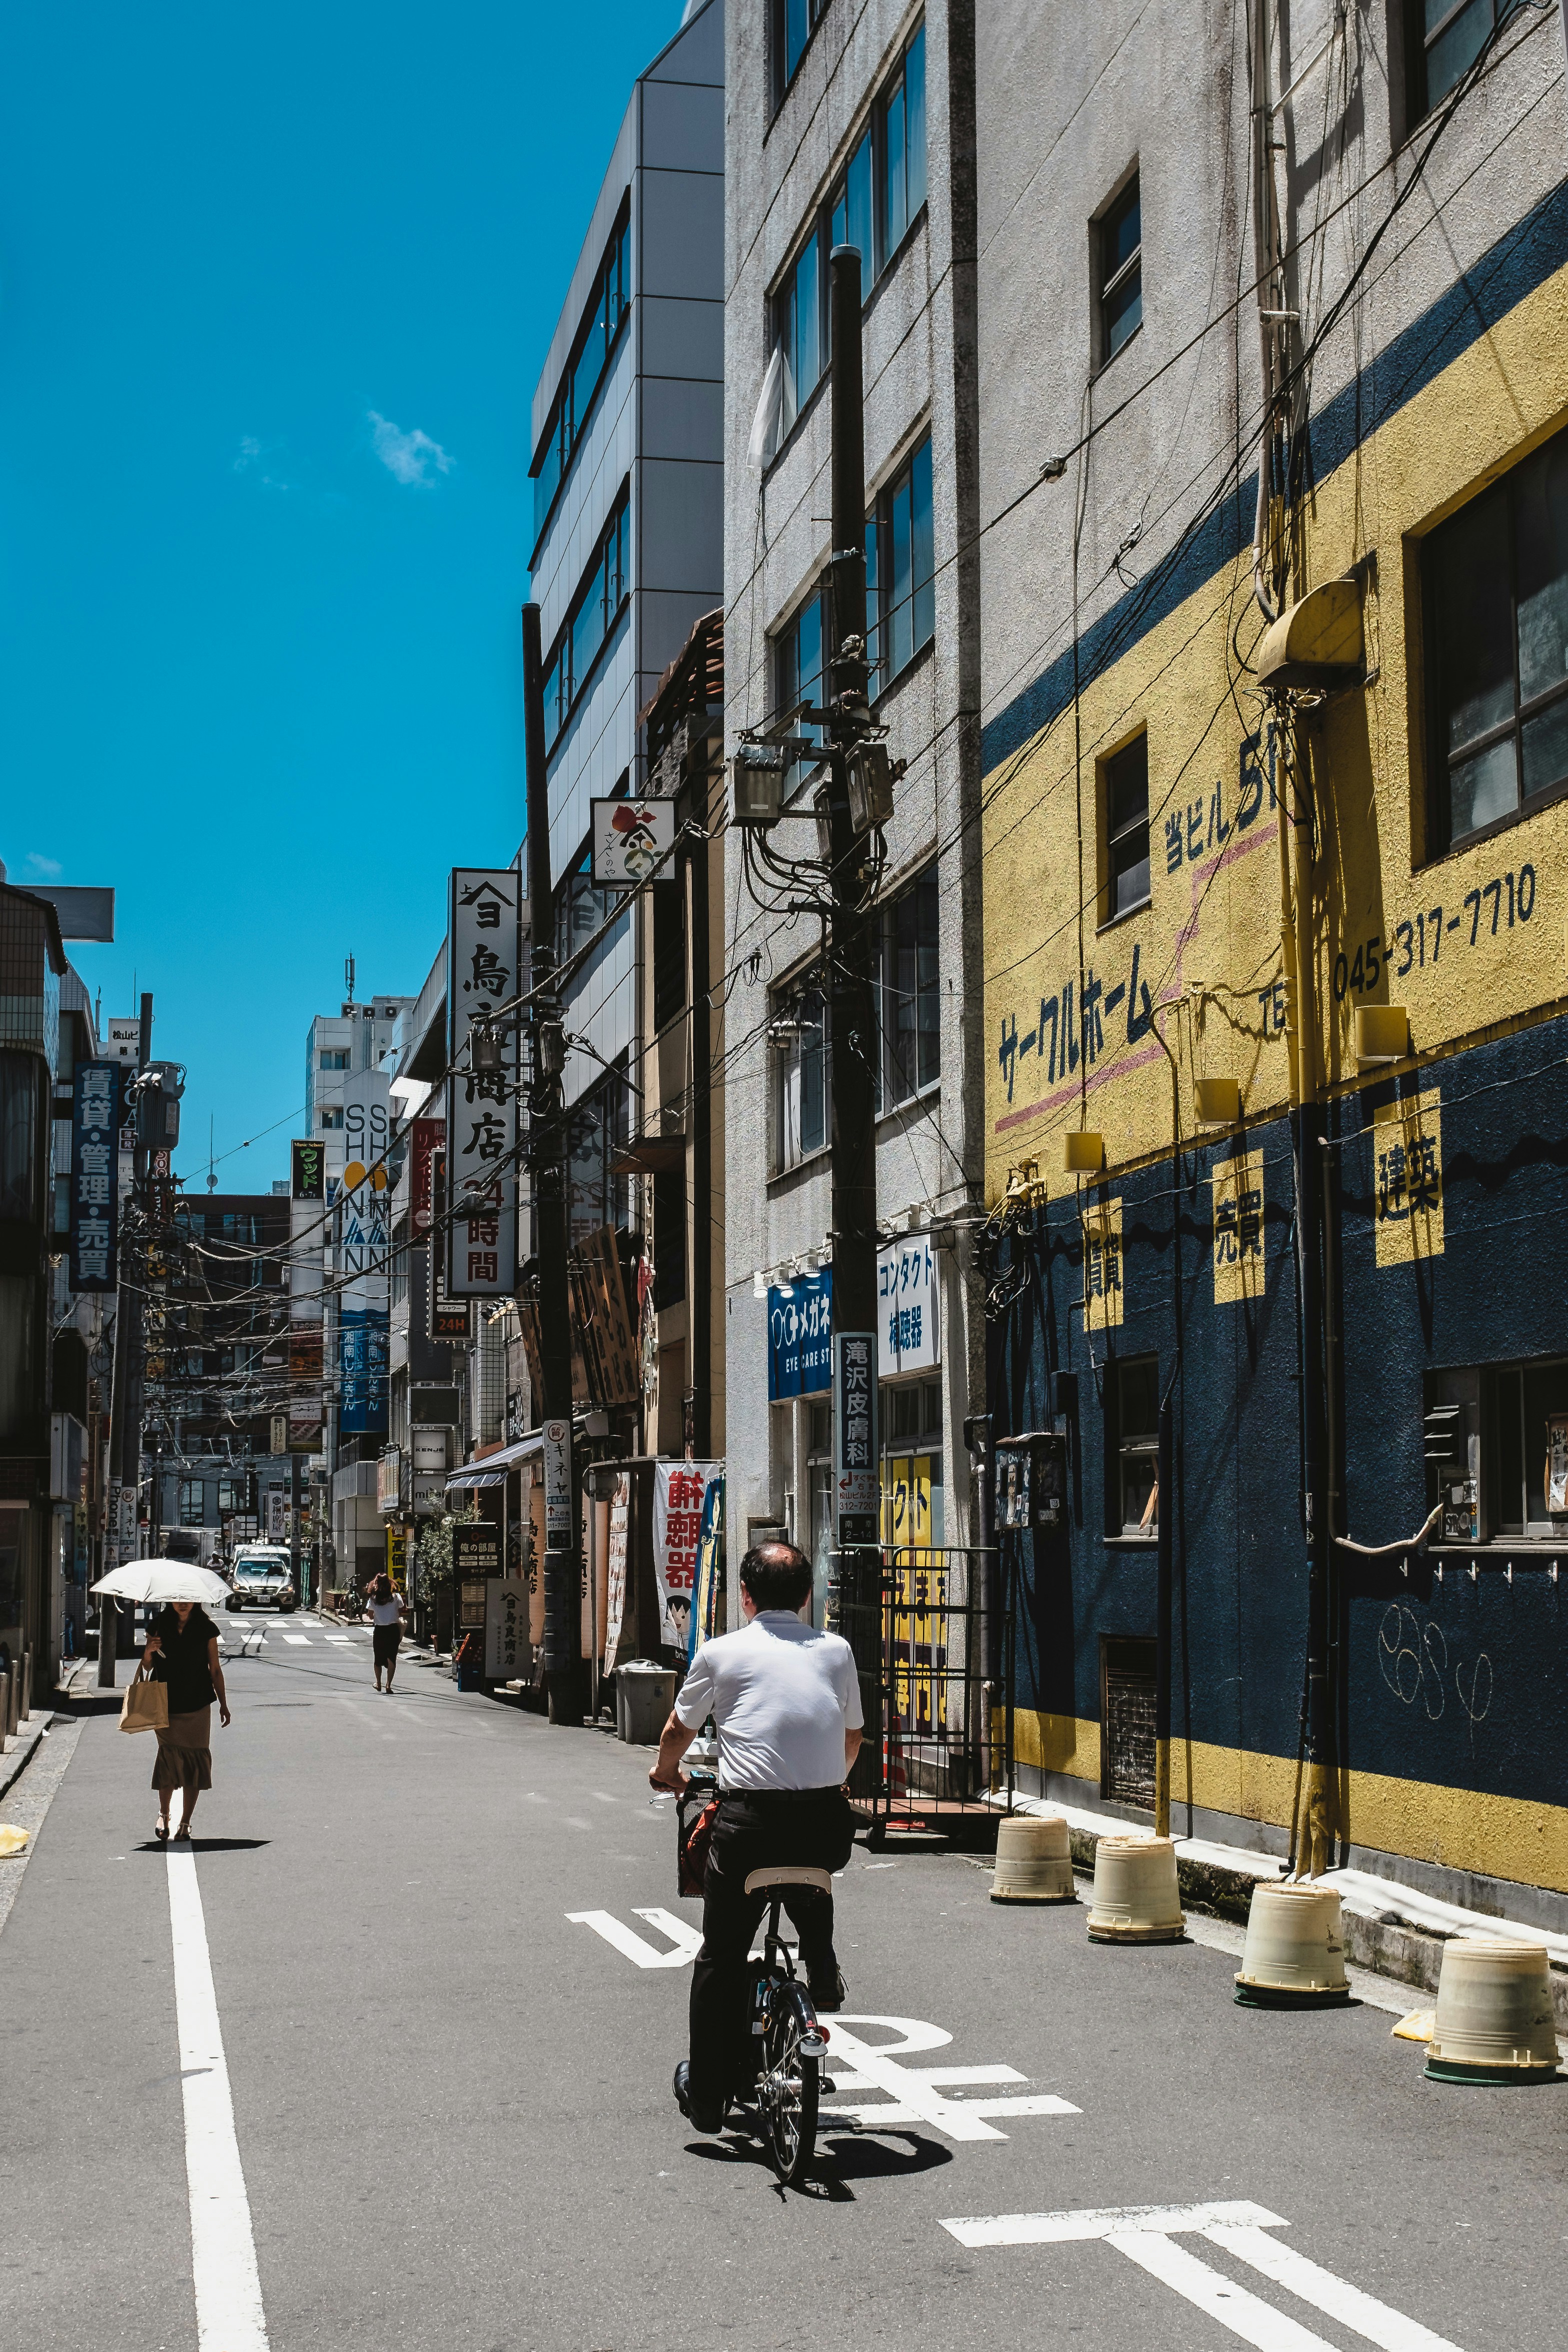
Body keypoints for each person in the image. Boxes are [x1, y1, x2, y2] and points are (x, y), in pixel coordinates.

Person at [649, 1540, 863, 2135]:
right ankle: (820, 1962)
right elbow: (852, 1738)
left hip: (748, 1830)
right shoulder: (836, 1650)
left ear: (745, 1596)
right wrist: (828, 1784)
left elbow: (676, 1728)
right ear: (806, 1595)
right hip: (825, 1826)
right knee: (809, 1862)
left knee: (719, 1954)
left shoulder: (721, 1652)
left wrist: (665, 1772)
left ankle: (711, 2098)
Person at [142, 1601, 231, 1842]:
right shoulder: (158, 1625)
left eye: (187, 1598)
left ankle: (186, 1822)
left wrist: (223, 1703)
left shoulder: (206, 1628)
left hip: (198, 1703)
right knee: (168, 1757)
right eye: (178, 1598)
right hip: (166, 1703)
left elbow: (215, 1669)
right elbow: (147, 1666)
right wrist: (149, 1649)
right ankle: (164, 1813)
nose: (182, 1604)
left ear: (195, 1600)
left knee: (195, 1759)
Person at [365, 1572, 406, 1693]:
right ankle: (388, 1685)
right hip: (393, 1630)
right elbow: (401, 1613)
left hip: (380, 1631)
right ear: (390, 1583)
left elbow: (371, 1616)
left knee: (378, 1658)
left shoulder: (373, 1599)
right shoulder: (396, 1597)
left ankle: (378, 1684)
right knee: (392, 1658)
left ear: (376, 1584)